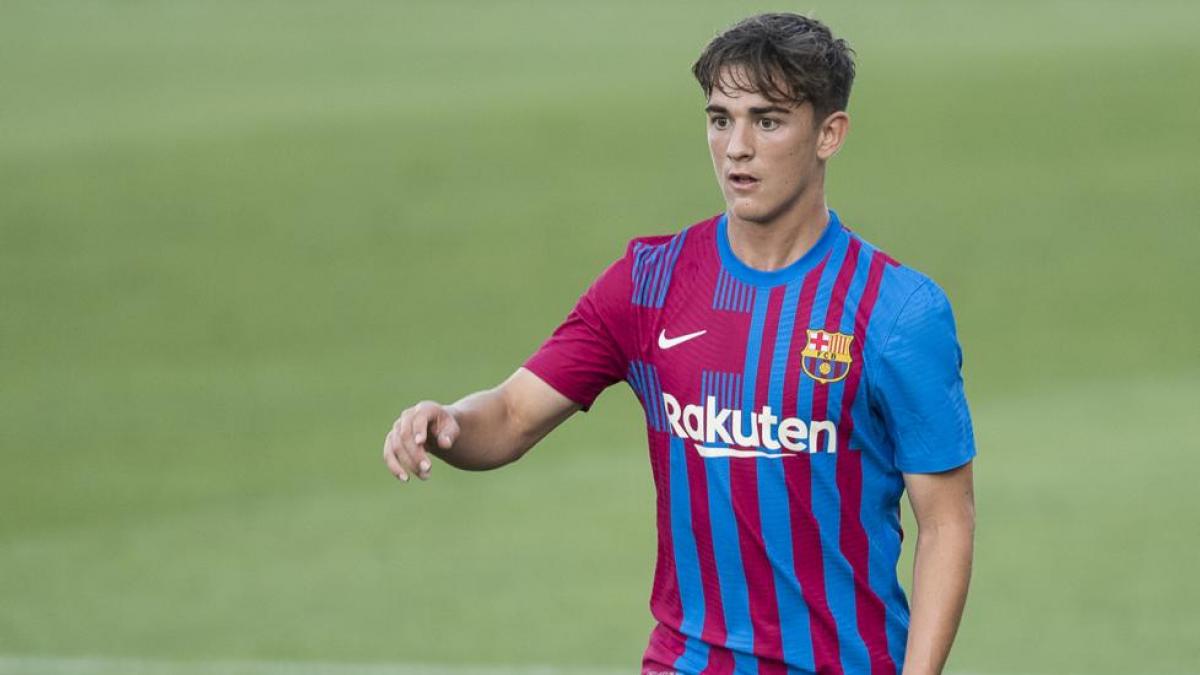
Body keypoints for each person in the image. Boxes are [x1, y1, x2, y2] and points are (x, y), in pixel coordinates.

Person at [382, 12, 975, 675]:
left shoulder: (896, 311)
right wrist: (448, 423)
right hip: (686, 661)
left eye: (767, 121)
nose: (736, 147)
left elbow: (946, 522)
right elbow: (513, 414)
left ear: (829, 133)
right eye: (720, 119)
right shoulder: (649, 283)